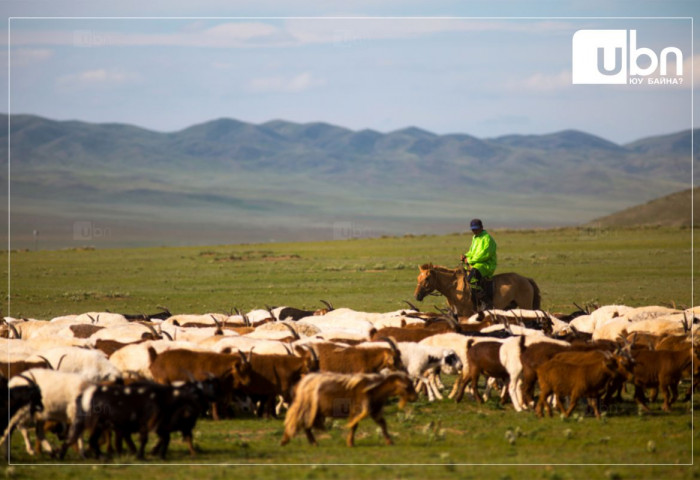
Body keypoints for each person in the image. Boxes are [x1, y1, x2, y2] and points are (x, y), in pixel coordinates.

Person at [460, 218, 497, 310]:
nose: (475, 231)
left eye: (476, 229)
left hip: (486, 265)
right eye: (473, 229)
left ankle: (486, 302)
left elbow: (484, 255)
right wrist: (465, 256)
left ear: (481, 227)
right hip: (476, 263)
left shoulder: (487, 238)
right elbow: (472, 252)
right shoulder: (475, 238)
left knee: (472, 277)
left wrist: (469, 261)